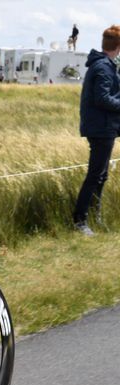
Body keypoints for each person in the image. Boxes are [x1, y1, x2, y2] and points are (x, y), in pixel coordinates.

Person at [73, 25, 120, 236]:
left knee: (101, 176)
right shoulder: (103, 67)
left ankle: (94, 215)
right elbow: (103, 99)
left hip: (104, 127)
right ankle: (80, 220)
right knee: (95, 175)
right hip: (101, 128)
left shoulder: (103, 65)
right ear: (117, 46)